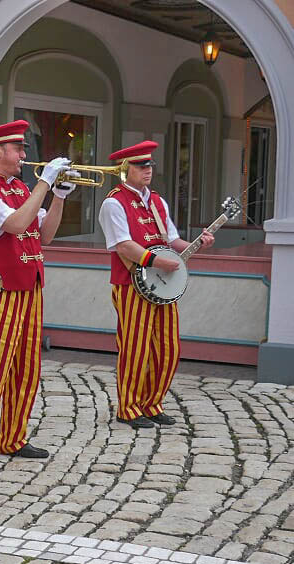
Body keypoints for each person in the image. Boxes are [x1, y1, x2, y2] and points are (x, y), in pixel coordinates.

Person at [0, 120, 74, 475]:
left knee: (26, 366)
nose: (25, 155)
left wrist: (58, 197)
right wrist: (44, 183)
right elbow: (16, 225)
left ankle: (13, 436)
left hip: (30, 285)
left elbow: (47, 234)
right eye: (19, 149)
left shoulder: (21, 189)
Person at [97, 141, 215, 429]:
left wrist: (197, 244)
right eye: (141, 165)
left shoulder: (158, 201)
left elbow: (172, 241)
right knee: (135, 348)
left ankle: (152, 403)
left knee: (168, 348)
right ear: (125, 170)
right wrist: (157, 262)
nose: (148, 170)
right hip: (130, 284)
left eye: (150, 164)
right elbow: (123, 245)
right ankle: (128, 407)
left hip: (161, 287)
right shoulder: (113, 202)